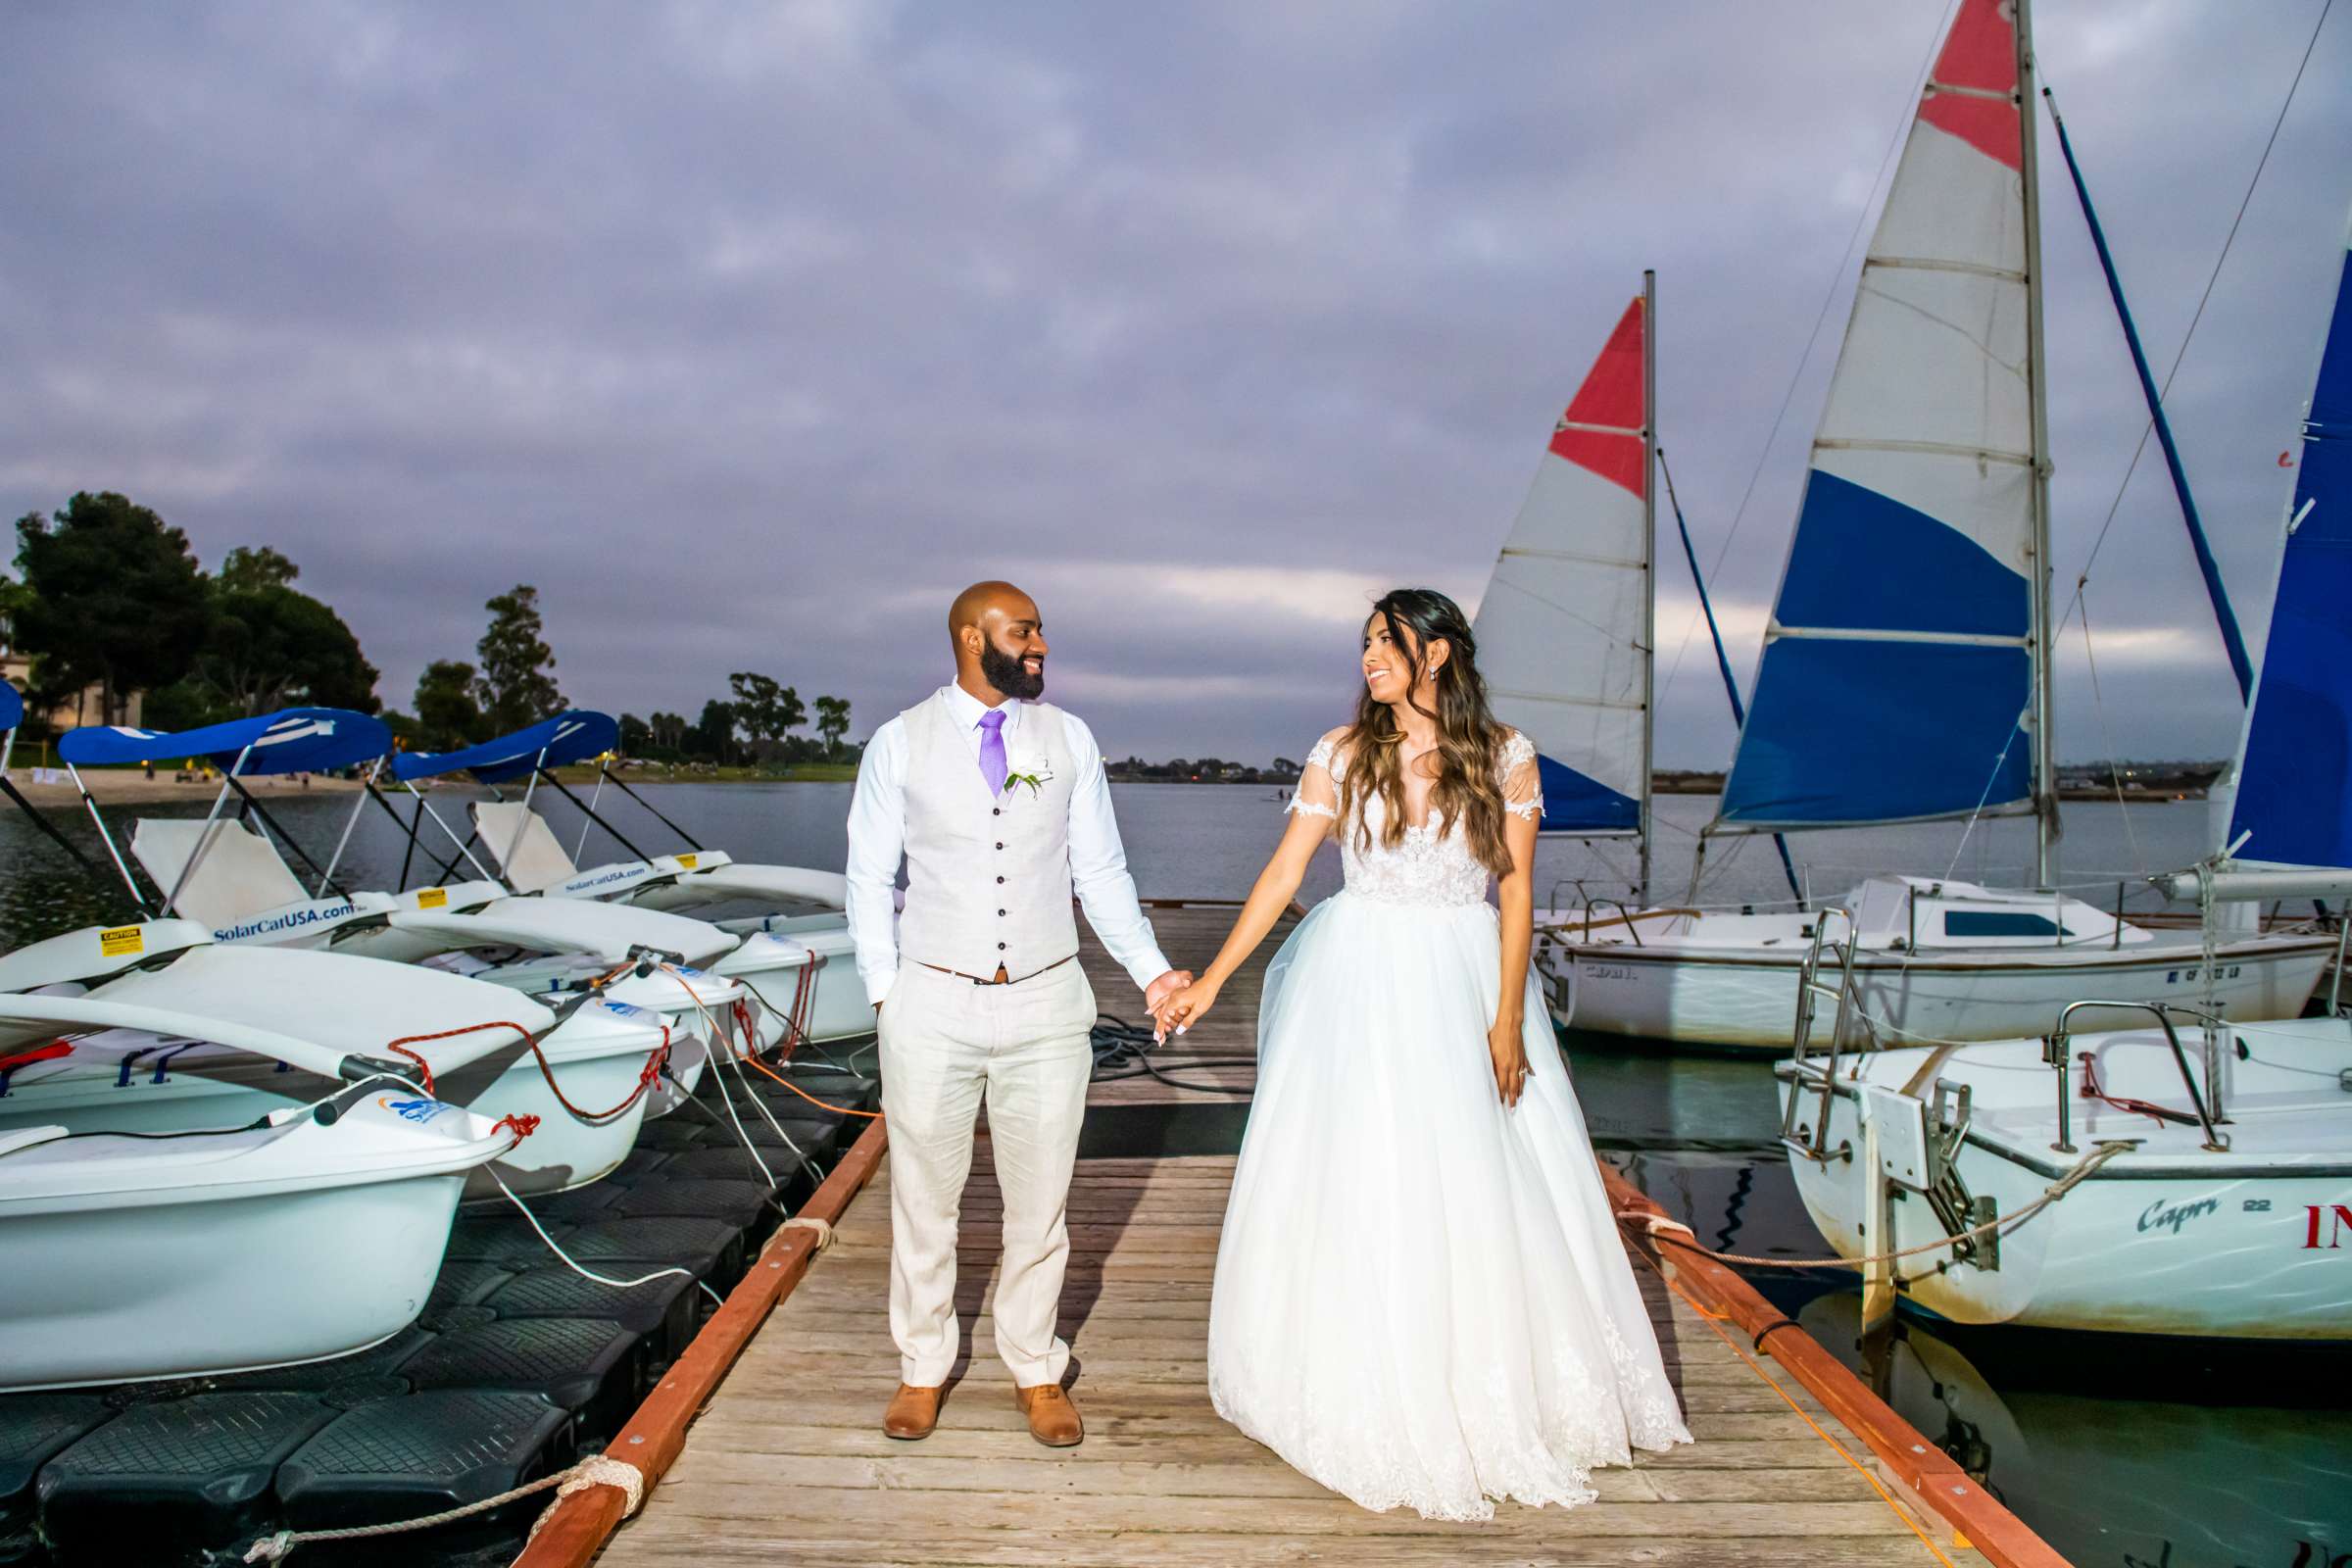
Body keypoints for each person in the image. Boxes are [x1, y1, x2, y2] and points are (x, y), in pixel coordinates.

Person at [1158, 587, 1690, 1520]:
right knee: (1360, 1166)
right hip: (1356, 977)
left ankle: (1489, 1378)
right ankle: (1352, 1366)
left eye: (1386, 641)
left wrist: (1507, 1017)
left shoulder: (1505, 754)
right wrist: (1208, 978)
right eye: (1364, 642)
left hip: (1462, 974)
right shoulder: (1340, 752)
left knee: (1482, 1173)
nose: (1369, 656)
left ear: (1436, 653)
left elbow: (1516, 896)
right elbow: (1285, 872)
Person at [844, 580, 1194, 1448]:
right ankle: (923, 1365)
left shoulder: (1069, 739)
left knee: (1041, 1203)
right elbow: (867, 879)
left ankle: (1035, 1366)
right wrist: (886, 993)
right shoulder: (898, 743)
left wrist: (1151, 973)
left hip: (1045, 1000)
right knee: (925, 1199)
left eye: (1038, 629)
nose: (1040, 644)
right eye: (1023, 630)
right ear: (972, 637)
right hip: (930, 1000)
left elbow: (1102, 875)